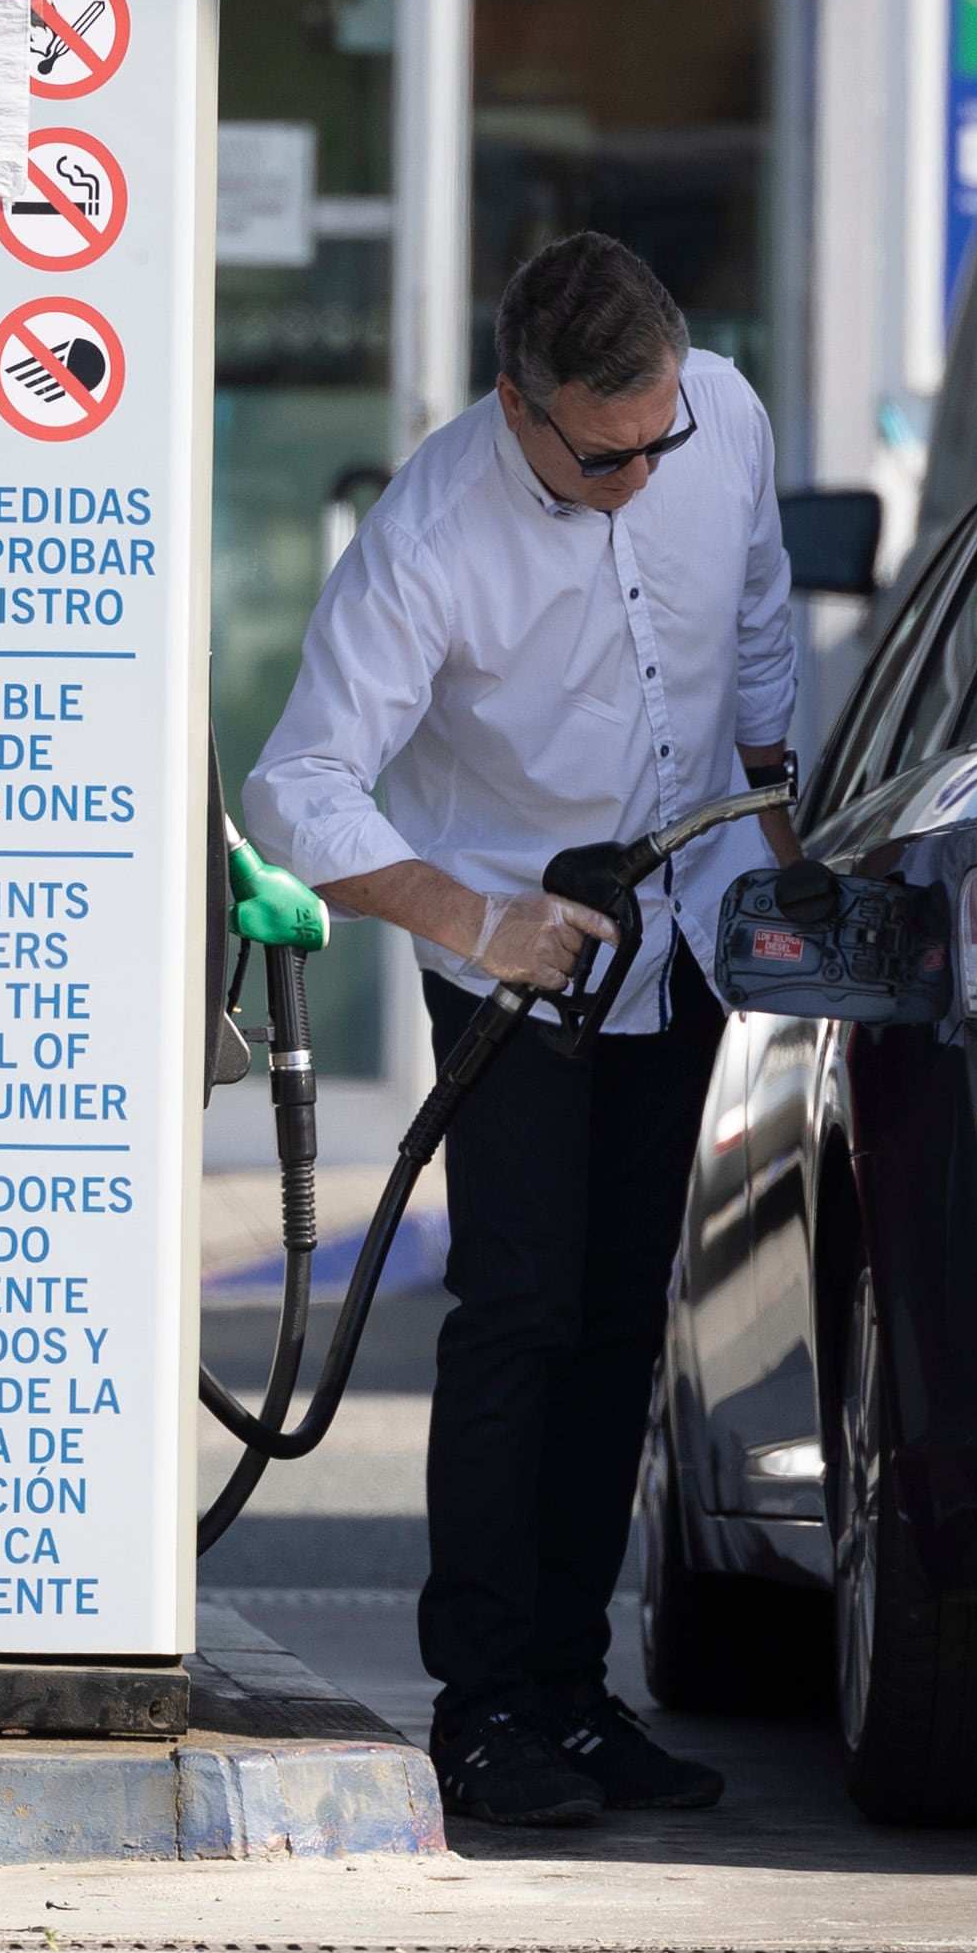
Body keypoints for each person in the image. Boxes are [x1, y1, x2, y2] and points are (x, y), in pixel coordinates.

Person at [242, 233, 798, 1827]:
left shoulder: (727, 420)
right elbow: (298, 787)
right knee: (515, 1318)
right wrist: (470, 919)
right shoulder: (432, 530)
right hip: (511, 955)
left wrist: (783, 842)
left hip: (681, 922)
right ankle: (482, 1705)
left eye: (658, 440)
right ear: (518, 406)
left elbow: (756, 626)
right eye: (602, 453)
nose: (639, 471)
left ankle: (574, 1687)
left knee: (626, 1320)